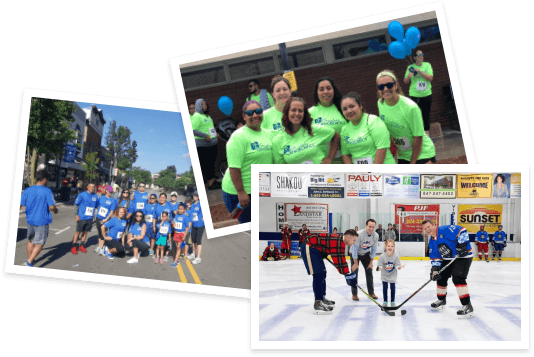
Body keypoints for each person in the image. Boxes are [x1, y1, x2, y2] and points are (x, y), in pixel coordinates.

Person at [222, 100, 274, 224]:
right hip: (239, 192)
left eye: (258, 111)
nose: (255, 115)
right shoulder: (238, 137)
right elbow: (234, 168)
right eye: (250, 113)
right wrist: (241, 192)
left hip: (260, 189)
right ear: (244, 117)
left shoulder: (269, 134)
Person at [376, 70, 436, 164]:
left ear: (396, 86)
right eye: (381, 86)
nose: (385, 89)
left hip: (422, 153)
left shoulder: (410, 108)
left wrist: (412, 163)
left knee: (425, 178)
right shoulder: (380, 103)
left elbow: (418, 136)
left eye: (389, 85)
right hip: (403, 154)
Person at [421, 219, 474, 318]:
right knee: (440, 276)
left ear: (434, 225)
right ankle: (441, 300)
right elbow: (435, 257)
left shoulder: (444, 230)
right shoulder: (432, 242)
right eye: (425, 229)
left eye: (428, 227)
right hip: (448, 259)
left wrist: (462, 244)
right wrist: (435, 269)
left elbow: (462, 230)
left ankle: (467, 305)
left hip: (463, 257)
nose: (427, 230)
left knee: (458, 278)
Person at [301, 230, 359, 314]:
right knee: (318, 274)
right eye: (353, 240)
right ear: (348, 237)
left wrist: (323, 250)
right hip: (309, 246)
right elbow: (340, 261)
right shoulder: (339, 242)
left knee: (322, 273)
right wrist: (348, 275)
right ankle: (318, 303)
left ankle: (322, 298)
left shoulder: (339, 241)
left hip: (315, 249)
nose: (354, 243)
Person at [272, 97, 340, 165]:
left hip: (320, 174)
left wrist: (329, 159)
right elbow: (280, 169)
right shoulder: (277, 141)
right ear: (287, 112)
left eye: (300, 111)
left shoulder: (313, 130)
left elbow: (335, 135)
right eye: (293, 110)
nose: (297, 113)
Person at [340, 92, 396, 164]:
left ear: (360, 106)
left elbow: (382, 149)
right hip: (361, 174)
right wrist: (353, 173)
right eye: (345, 109)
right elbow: (345, 155)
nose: (349, 111)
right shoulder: (344, 129)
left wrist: (372, 173)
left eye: (352, 106)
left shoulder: (373, 121)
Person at [20, 171, 58, 266]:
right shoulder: (47, 191)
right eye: (46, 179)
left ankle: (30, 260)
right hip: (42, 220)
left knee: (30, 241)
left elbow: (21, 205)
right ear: (44, 179)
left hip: (30, 220)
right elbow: (52, 207)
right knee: (40, 242)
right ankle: (29, 262)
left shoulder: (27, 190)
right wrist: (56, 210)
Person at [404, 49, 434, 135]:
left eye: (422, 54)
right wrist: (409, 76)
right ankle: (418, 135)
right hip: (414, 95)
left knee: (426, 115)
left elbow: (430, 78)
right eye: (419, 54)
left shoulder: (427, 65)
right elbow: (405, 81)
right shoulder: (410, 68)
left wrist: (420, 71)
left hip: (426, 94)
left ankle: (427, 137)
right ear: (414, 57)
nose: (421, 56)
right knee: (415, 115)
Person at [191, 98, 219, 190]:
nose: (205, 106)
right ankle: (210, 183)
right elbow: (192, 130)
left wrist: (215, 133)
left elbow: (209, 127)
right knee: (206, 164)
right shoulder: (196, 116)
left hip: (211, 145)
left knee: (211, 163)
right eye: (202, 104)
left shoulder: (207, 116)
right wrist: (204, 136)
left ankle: (213, 180)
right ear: (198, 106)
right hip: (203, 145)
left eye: (205, 104)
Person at [350, 219, 379, 301]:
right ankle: (354, 294)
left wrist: (371, 263)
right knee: (354, 273)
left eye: (373, 227)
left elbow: (374, 250)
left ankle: (371, 293)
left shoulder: (375, 235)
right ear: (366, 226)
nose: (371, 229)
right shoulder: (359, 234)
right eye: (370, 226)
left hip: (366, 254)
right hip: (355, 254)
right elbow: (354, 250)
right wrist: (355, 263)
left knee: (369, 271)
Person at [71, 182, 99, 254]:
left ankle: (81, 246)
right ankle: (74, 246)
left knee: (85, 232)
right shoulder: (82, 195)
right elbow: (76, 204)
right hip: (82, 217)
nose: (92, 188)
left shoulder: (95, 196)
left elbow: (97, 206)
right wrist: (76, 215)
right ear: (87, 187)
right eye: (90, 187)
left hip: (90, 218)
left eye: (93, 187)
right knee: (78, 232)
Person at [377, 239, 404, 306]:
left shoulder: (396, 256)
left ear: (394, 248)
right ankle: (385, 301)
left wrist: (399, 267)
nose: (390, 247)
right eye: (388, 246)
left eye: (392, 246)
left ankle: (392, 301)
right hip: (384, 275)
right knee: (385, 288)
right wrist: (379, 267)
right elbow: (379, 264)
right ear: (385, 247)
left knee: (392, 288)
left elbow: (397, 264)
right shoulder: (382, 256)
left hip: (392, 275)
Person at [95, 185, 118, 255]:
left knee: (103, 233)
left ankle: (101, 247)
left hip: (105, 219)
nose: (110, 193)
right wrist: (97, 212)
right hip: (98, 217)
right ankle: (100, 246)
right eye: (109, 191)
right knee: (99, 232)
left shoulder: (112, 200)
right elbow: (97, 205)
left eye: (111, 192)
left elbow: (111, 211)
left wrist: (106, 219)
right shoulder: (101, 197)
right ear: (106, 191)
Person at [189, 193, 205, 264]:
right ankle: (193, 253)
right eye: (194, 196)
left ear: (198, 197)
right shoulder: (192, 204)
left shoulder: (201, 203)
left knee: (198, 240)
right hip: (194, 224)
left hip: (200, 224)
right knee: (193, 240)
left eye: (196, 196)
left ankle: (198, 257)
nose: (195, 197)